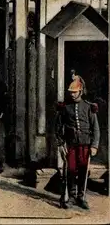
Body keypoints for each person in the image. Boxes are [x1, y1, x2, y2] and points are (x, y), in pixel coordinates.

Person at [56, 79, 100, 210]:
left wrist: (94, 146)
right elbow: (58, 127)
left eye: (75, 92)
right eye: (71, 92)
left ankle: (81, 197)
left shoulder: (88, 107)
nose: (72, 94)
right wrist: (60, 144)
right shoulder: (65, 107)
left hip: (85, 144)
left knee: (83, 171)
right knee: (70, 170)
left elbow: (96, 128)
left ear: (80, 92)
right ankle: (71, 196)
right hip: (71, 145)